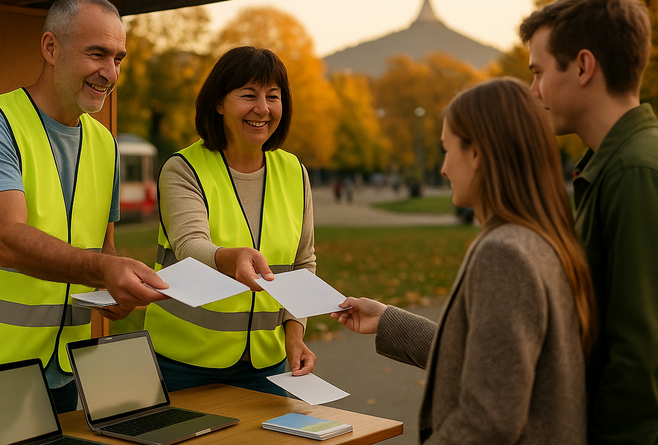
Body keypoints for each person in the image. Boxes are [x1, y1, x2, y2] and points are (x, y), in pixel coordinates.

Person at [0, 0, 169, 440]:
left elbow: (100, 248)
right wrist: (104, 269)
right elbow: (8, 241)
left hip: (61, 371)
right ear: (51, 47)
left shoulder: (104, 144)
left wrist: (117, 285)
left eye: (117, 59)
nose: (109, 72)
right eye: (96, 54)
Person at [333, 78, 596, 444]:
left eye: (446, 149)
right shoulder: (541, 237)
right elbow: (495, 361)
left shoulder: (504, 253)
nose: (443, 168)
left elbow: (488, 420)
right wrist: (389, 321)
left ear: (477, 154)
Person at [519, 1, 658, 442]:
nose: (534, 90)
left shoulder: (635, 172)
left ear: (583, 67)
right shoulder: (610, 166)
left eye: (539, 72)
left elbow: (640, 359)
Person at [144, 46, 316, 396]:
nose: (263, 109)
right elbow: (190, 245)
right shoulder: (183, 168)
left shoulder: (295, 172)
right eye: (248, 95)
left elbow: (302, 264)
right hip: (182, 365)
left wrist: (295, 336)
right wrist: (230, 258)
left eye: (273, 96)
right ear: (219, 102)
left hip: (266, 368)